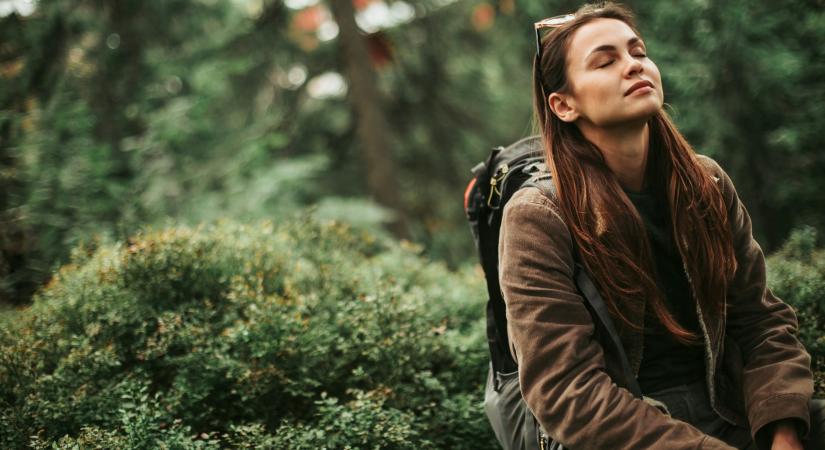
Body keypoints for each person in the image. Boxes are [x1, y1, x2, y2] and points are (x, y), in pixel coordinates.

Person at [497, 2, 824, 449]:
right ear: (564, 104)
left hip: (729, 406)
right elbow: (567, 393)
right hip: (621, 429)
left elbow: (761, 323)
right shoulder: (537, 217)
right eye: (606, 61)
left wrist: (783, 429)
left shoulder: (705, 183)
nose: (633, 66)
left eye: (638, 52)